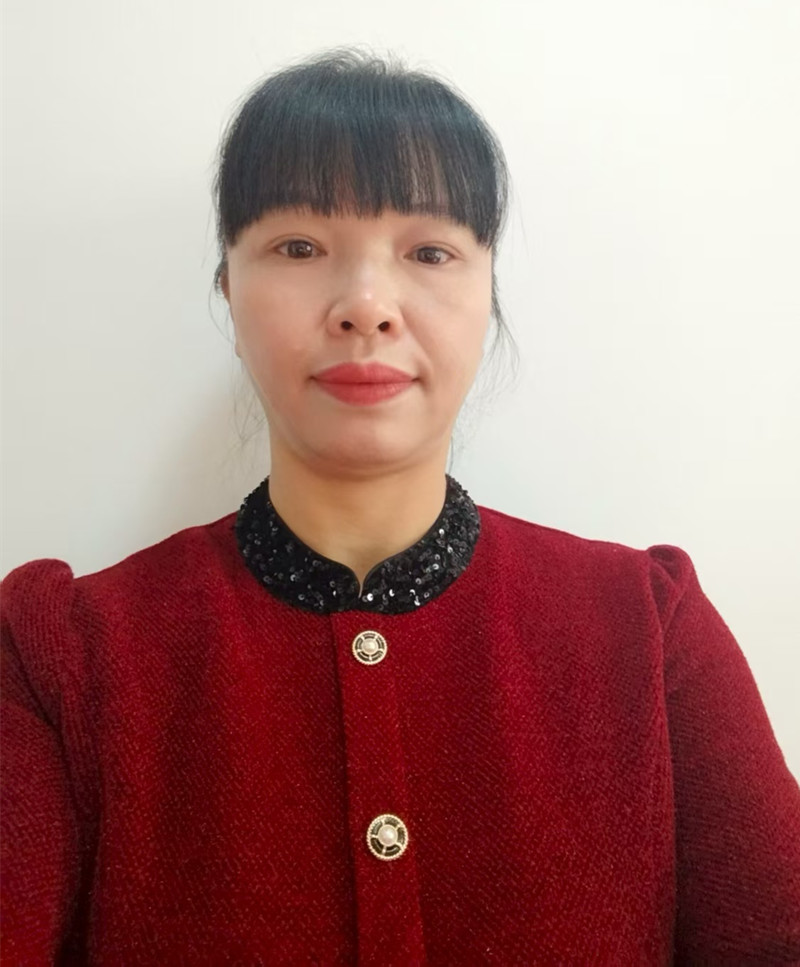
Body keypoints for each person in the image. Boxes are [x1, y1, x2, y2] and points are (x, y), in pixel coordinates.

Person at [1, 45, 799, 967]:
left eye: (429, 252)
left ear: (487, 291)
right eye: (298, 247)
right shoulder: (64, 654)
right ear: (228, 286)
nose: (367, 306)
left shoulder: (649, 629)